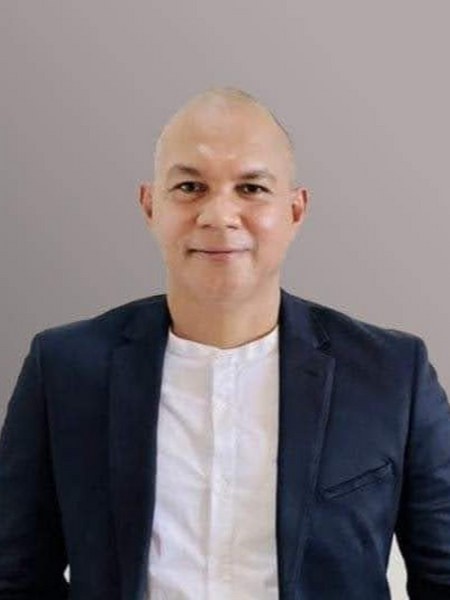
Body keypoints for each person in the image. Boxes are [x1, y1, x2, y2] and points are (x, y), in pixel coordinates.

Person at [0, 86, 449, 600]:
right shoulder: (65, 369)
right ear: (150, 206)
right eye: (190, 187)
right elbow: (15, 577)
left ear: (295, 210)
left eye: (251, 188)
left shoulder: (392, 374)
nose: (218, 215)